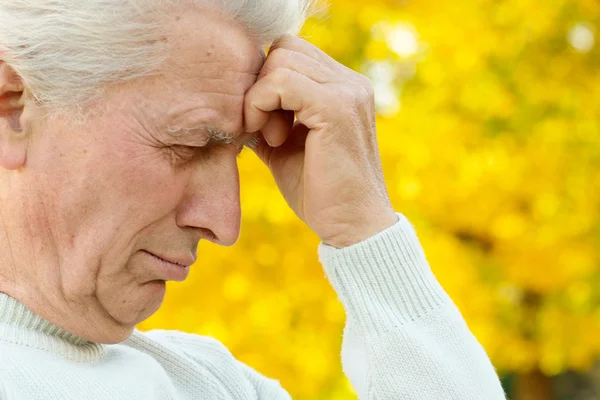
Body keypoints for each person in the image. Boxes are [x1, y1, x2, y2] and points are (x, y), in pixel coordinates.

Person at [0, 1, 508, 399]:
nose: (226, 223)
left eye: (242, 153)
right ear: (13, 110)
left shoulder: (214, 384)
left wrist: (364, 232)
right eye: (190, 144)